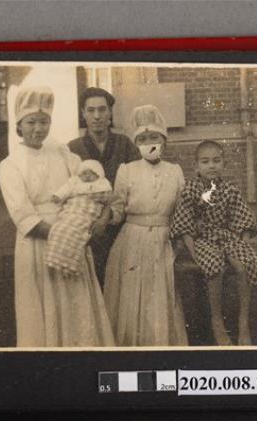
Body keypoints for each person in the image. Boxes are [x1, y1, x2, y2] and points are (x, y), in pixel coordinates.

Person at [0, 86, 114, 347]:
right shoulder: (9, 165)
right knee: (43, 308)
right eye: (31, 122)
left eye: (44, 122)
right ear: (19, 125)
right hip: (38, 243)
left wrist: (97, 219)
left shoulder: (63, 154)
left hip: (74, 234)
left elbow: (92, 186)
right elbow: (23, 215)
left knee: (77, 307)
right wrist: (65, 235)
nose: (38, 129)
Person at [103, 105, 187, 347]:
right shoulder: (127, 171)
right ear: (136, 143)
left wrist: (179, 239)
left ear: (164, 141)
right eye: (142, 139)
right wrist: (105, 215)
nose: (149, 143)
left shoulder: (175, 172)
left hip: (163, 242)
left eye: (154, 138)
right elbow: (118, 209)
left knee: (159, 296)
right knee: (133, 297)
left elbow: (182, 211)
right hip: (133, 241)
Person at [170, 140, 257, 346]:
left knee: (243, 266)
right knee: (216, 267)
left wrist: (241, 245)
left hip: (226, 237)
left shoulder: (229, 189)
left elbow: (243, 220)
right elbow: (184, 225)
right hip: (202, 240)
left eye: (216, 161)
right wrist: (194, 253)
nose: (211, 166)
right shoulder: (191, 190)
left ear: (224, 164)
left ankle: (243, 323)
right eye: (205, 162)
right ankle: (217, 322)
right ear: (196, 166)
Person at [68, 87, 141, 286]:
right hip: (87, 229)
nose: (97, 116)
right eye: (90, 110)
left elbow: (136, 184)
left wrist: (111, 214)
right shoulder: (73, 149)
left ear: (110, 112)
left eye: (102, 109)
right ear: (83, 113)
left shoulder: (124, 144)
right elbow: (70, 190)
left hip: (120, 226)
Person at [46, 159, 113, 278]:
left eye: (91, 173)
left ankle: (69, 264)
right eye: (84, 173)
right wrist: (58, 196)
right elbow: (65, 190)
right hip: (71, 211)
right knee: (59, 230)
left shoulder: (101, 184)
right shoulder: (75, 182)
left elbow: (107, 199)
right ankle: (55, 259)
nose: (87, 176)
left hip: (87, 213)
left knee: (77, 234)